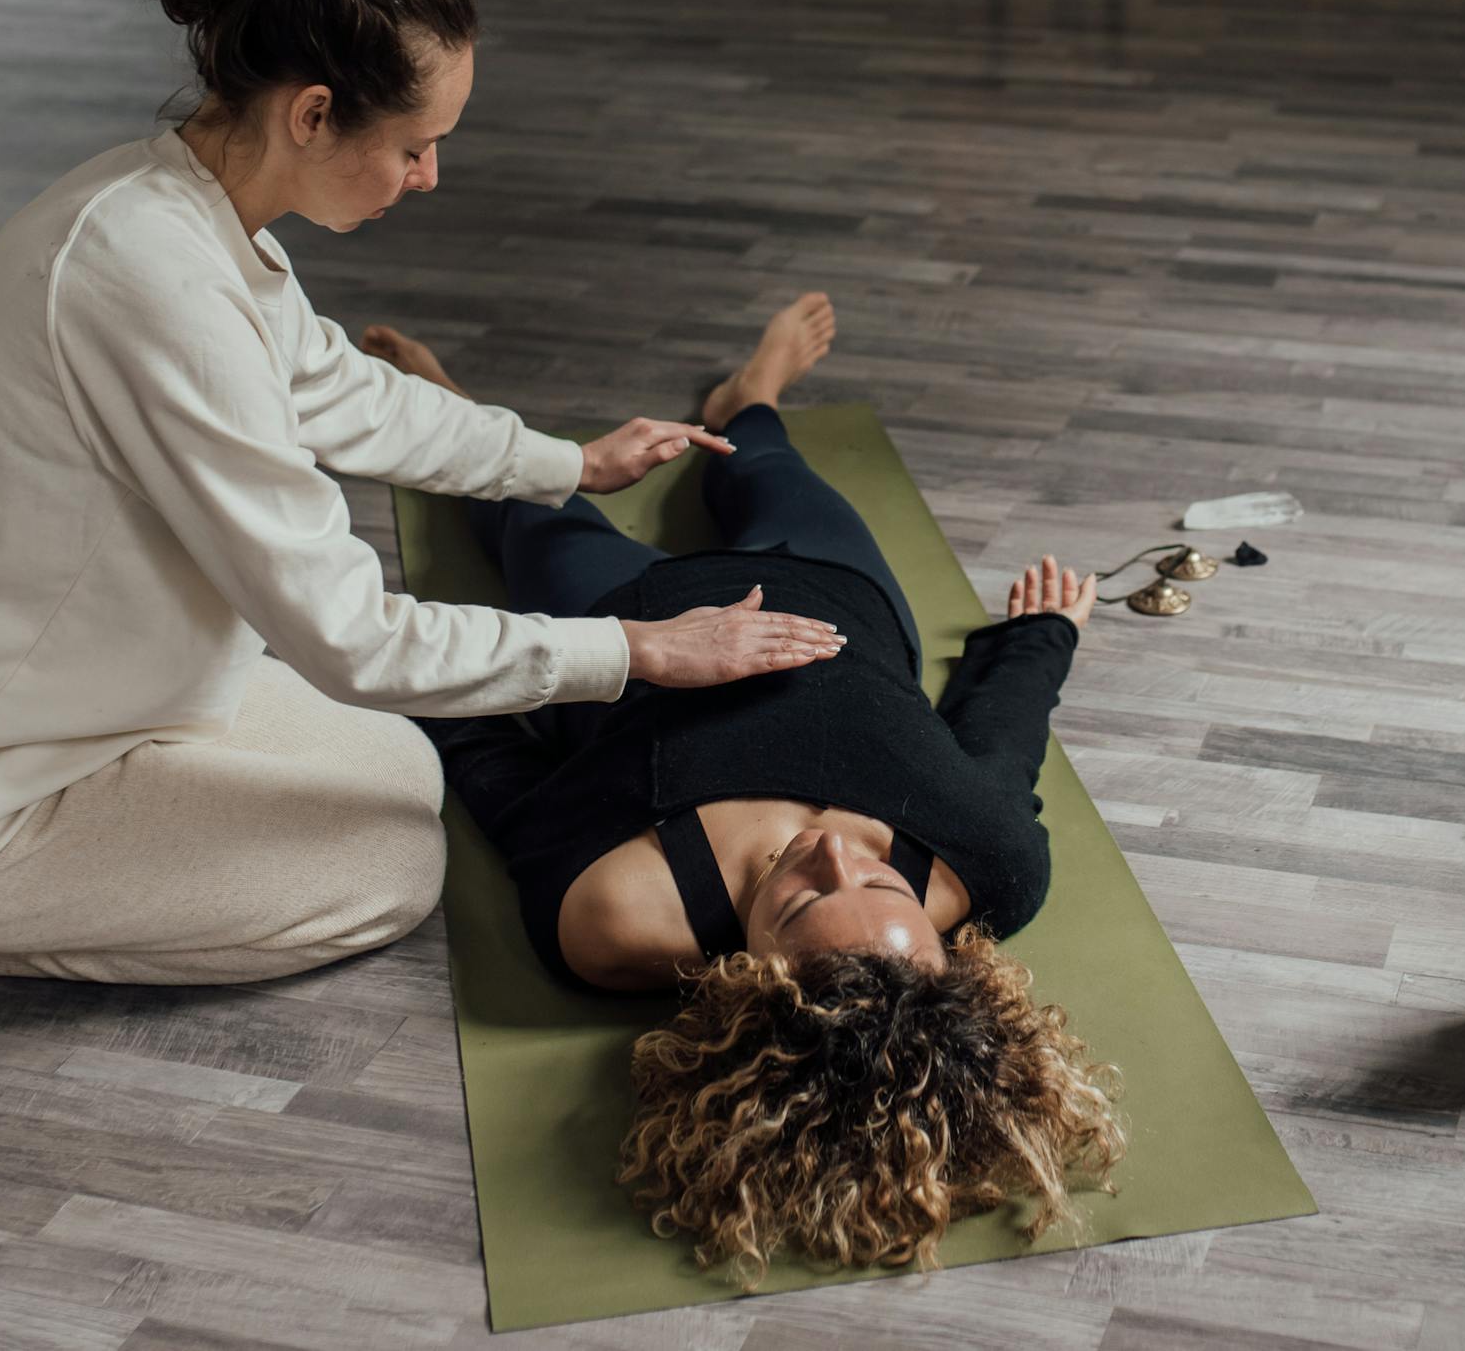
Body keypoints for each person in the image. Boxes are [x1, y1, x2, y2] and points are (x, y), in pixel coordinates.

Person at [0, 0, 844, 983]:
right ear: (310, 113)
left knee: (401, 773)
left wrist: (561, 464)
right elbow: (349, 633)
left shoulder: (181, 205)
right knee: (386, 873)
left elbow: (337, 391)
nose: (428, 176)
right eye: (414, 146)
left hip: (13, 707)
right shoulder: (149, 284)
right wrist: (634, 650)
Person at [364, 302, 1127, 1285]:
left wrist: (396, 665)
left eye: (804, 899)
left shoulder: (623, 915)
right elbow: (999, 742)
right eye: (883, 887)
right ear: (944, 949)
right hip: (836, 588)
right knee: (762, 462)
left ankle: (451, 401)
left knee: (518, 507)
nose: (838, 851)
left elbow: (498, 778)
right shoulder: (986, 862)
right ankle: (749, 393)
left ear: (748, 977)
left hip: (624, 621)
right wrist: (1042, 637)